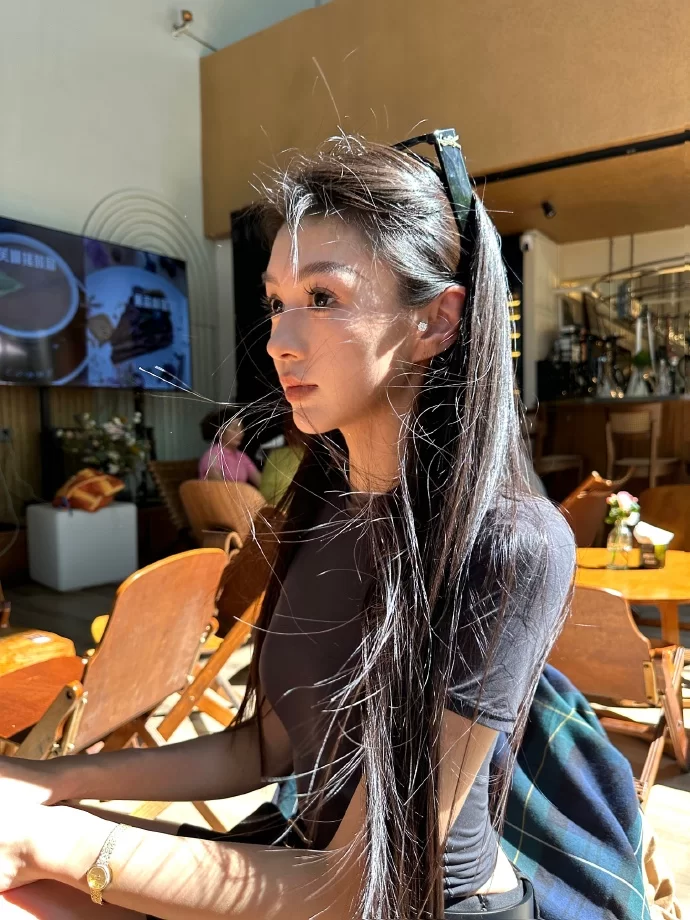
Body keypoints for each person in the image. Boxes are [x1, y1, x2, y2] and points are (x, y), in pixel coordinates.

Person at [0, 132, 575, 919]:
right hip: (301, 862)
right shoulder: (323, 498)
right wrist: (49, 782)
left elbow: (358, 886)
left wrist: (51, 842)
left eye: (323, 298)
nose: (279, 340)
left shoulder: (510, 545)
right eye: (276, 302)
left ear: (436, 321)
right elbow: (265, 746)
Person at [198, 411, 262, 488]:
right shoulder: (212, 455)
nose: (241, 433)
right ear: (220, 432)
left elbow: (260, 481)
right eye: (235, 429)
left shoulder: (241, 456)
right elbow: (219, 486)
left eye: (241, 429)